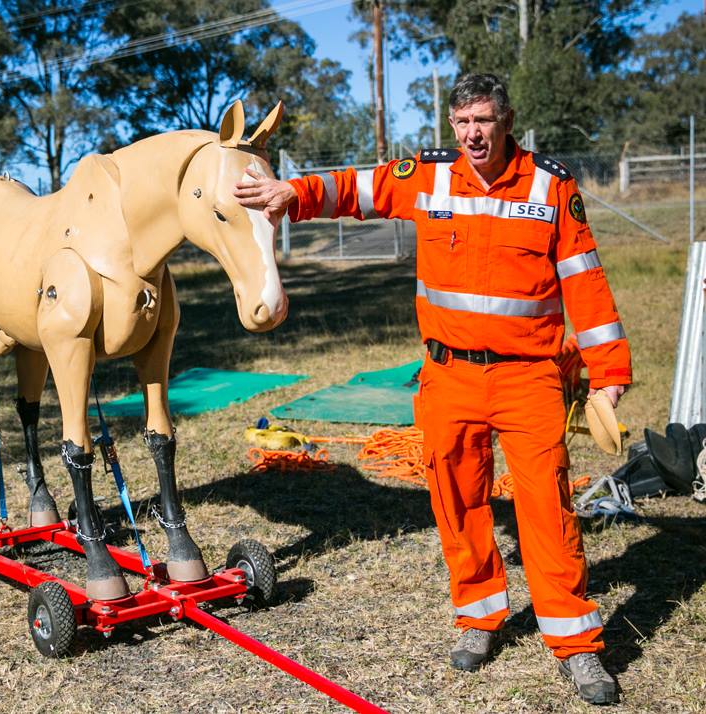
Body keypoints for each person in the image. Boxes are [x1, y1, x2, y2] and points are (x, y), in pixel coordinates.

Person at [234, 73, 630, 706]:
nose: (473, 134)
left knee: (548, 512)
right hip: (448, 375)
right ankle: (479, 617)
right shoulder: (429, 175)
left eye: (484, 121)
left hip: (529, 378)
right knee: (456, 500)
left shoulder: (551, 186)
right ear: (452, 126)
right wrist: (294, 193)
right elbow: (357, 187)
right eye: (462, 122)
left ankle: (577, 646)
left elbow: (586, 284)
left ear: (507, 122)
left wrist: (608, 377)